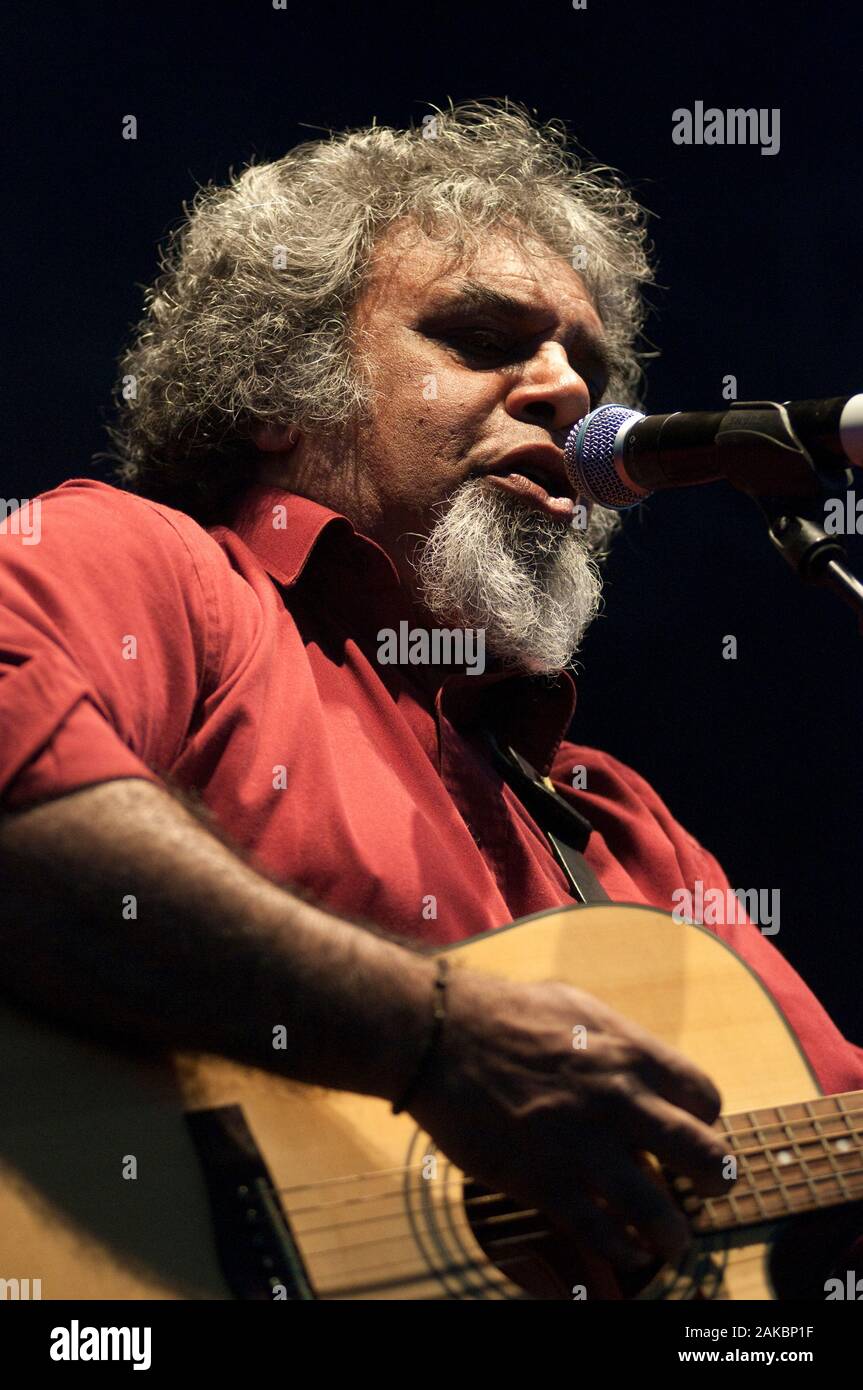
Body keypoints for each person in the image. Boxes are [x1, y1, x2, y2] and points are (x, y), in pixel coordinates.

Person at [1, 100, 860, 1285]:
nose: (568, 390)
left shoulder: (620, 830)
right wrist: (434, 1042)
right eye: (481, 338)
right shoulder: (144, 570)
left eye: (591, 366)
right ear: (273, 391)